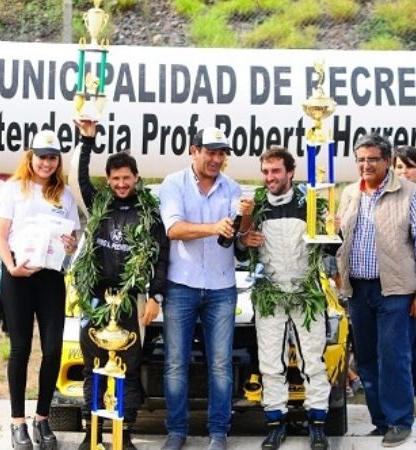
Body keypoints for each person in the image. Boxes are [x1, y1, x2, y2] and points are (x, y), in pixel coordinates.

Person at [72, 119, 169, 450]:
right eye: (115, 178)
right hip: (96, 298)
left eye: (127, 177)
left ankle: (123, 432)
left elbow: (162, 256)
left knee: (127, 368)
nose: (121, 183)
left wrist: (156, 295)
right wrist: (87, 140)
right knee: (93, 366)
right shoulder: (98, 204)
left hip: (132, 300)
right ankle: (92, 432)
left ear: (136, 178)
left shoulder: (149, 213)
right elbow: (79, 178)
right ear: (109, 181)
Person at [336, 134, 416, 447]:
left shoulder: (409, 193)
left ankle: (399, 421)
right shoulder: (350, 193)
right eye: (361, 159)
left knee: (393, 356)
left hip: (395, 289)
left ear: (387, 160)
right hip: (358, 290)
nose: (366, 165)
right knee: (365, 358)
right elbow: (340, 237)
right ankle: (380, 421)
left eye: (373, 159)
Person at [158, 126, 253, 450]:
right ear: (193, 150)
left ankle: (218, 433)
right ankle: (177, 430)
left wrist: (246, 221)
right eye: (210, 152)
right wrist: (213, 227)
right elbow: (173, 228)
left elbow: (236, 239)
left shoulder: (233, 188)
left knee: (221, 364)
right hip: (181, 284)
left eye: (221, 153)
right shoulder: (173, 184)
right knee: (175, 362)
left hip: (221, 286)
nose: (216, 159)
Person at [237, 147, 331, 450]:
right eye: (265, 172)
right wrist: (245, 236)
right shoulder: (256, 204)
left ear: (290, 172)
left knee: (313, 362)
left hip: (307, 294)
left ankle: (317, 424)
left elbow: (328, 249)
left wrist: (333, 230)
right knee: (269, 363)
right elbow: (240, 250)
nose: (270, 177)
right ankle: (275, 423)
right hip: (270, 294)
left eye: (276, 171)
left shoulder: (311, 201)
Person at [0, 129, 80, 450]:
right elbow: (0, 235)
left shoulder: (65, 194)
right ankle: (17, 422)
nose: (47, 163)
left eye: (53, 157)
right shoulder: (14, 188)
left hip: (50, 277)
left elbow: (71, 239)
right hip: (17, 275)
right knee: (20, 350)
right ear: (31, 157)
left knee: (53, 349)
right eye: (42, 156)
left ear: (59, 161)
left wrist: (70, 244)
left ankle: (42, 417)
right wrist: (10, 265)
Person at [393, 146, 416, 419]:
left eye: (409, 166)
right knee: (396, 343)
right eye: (399, 167)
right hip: (395, 281)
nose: (404, 172)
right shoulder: (390, 197)